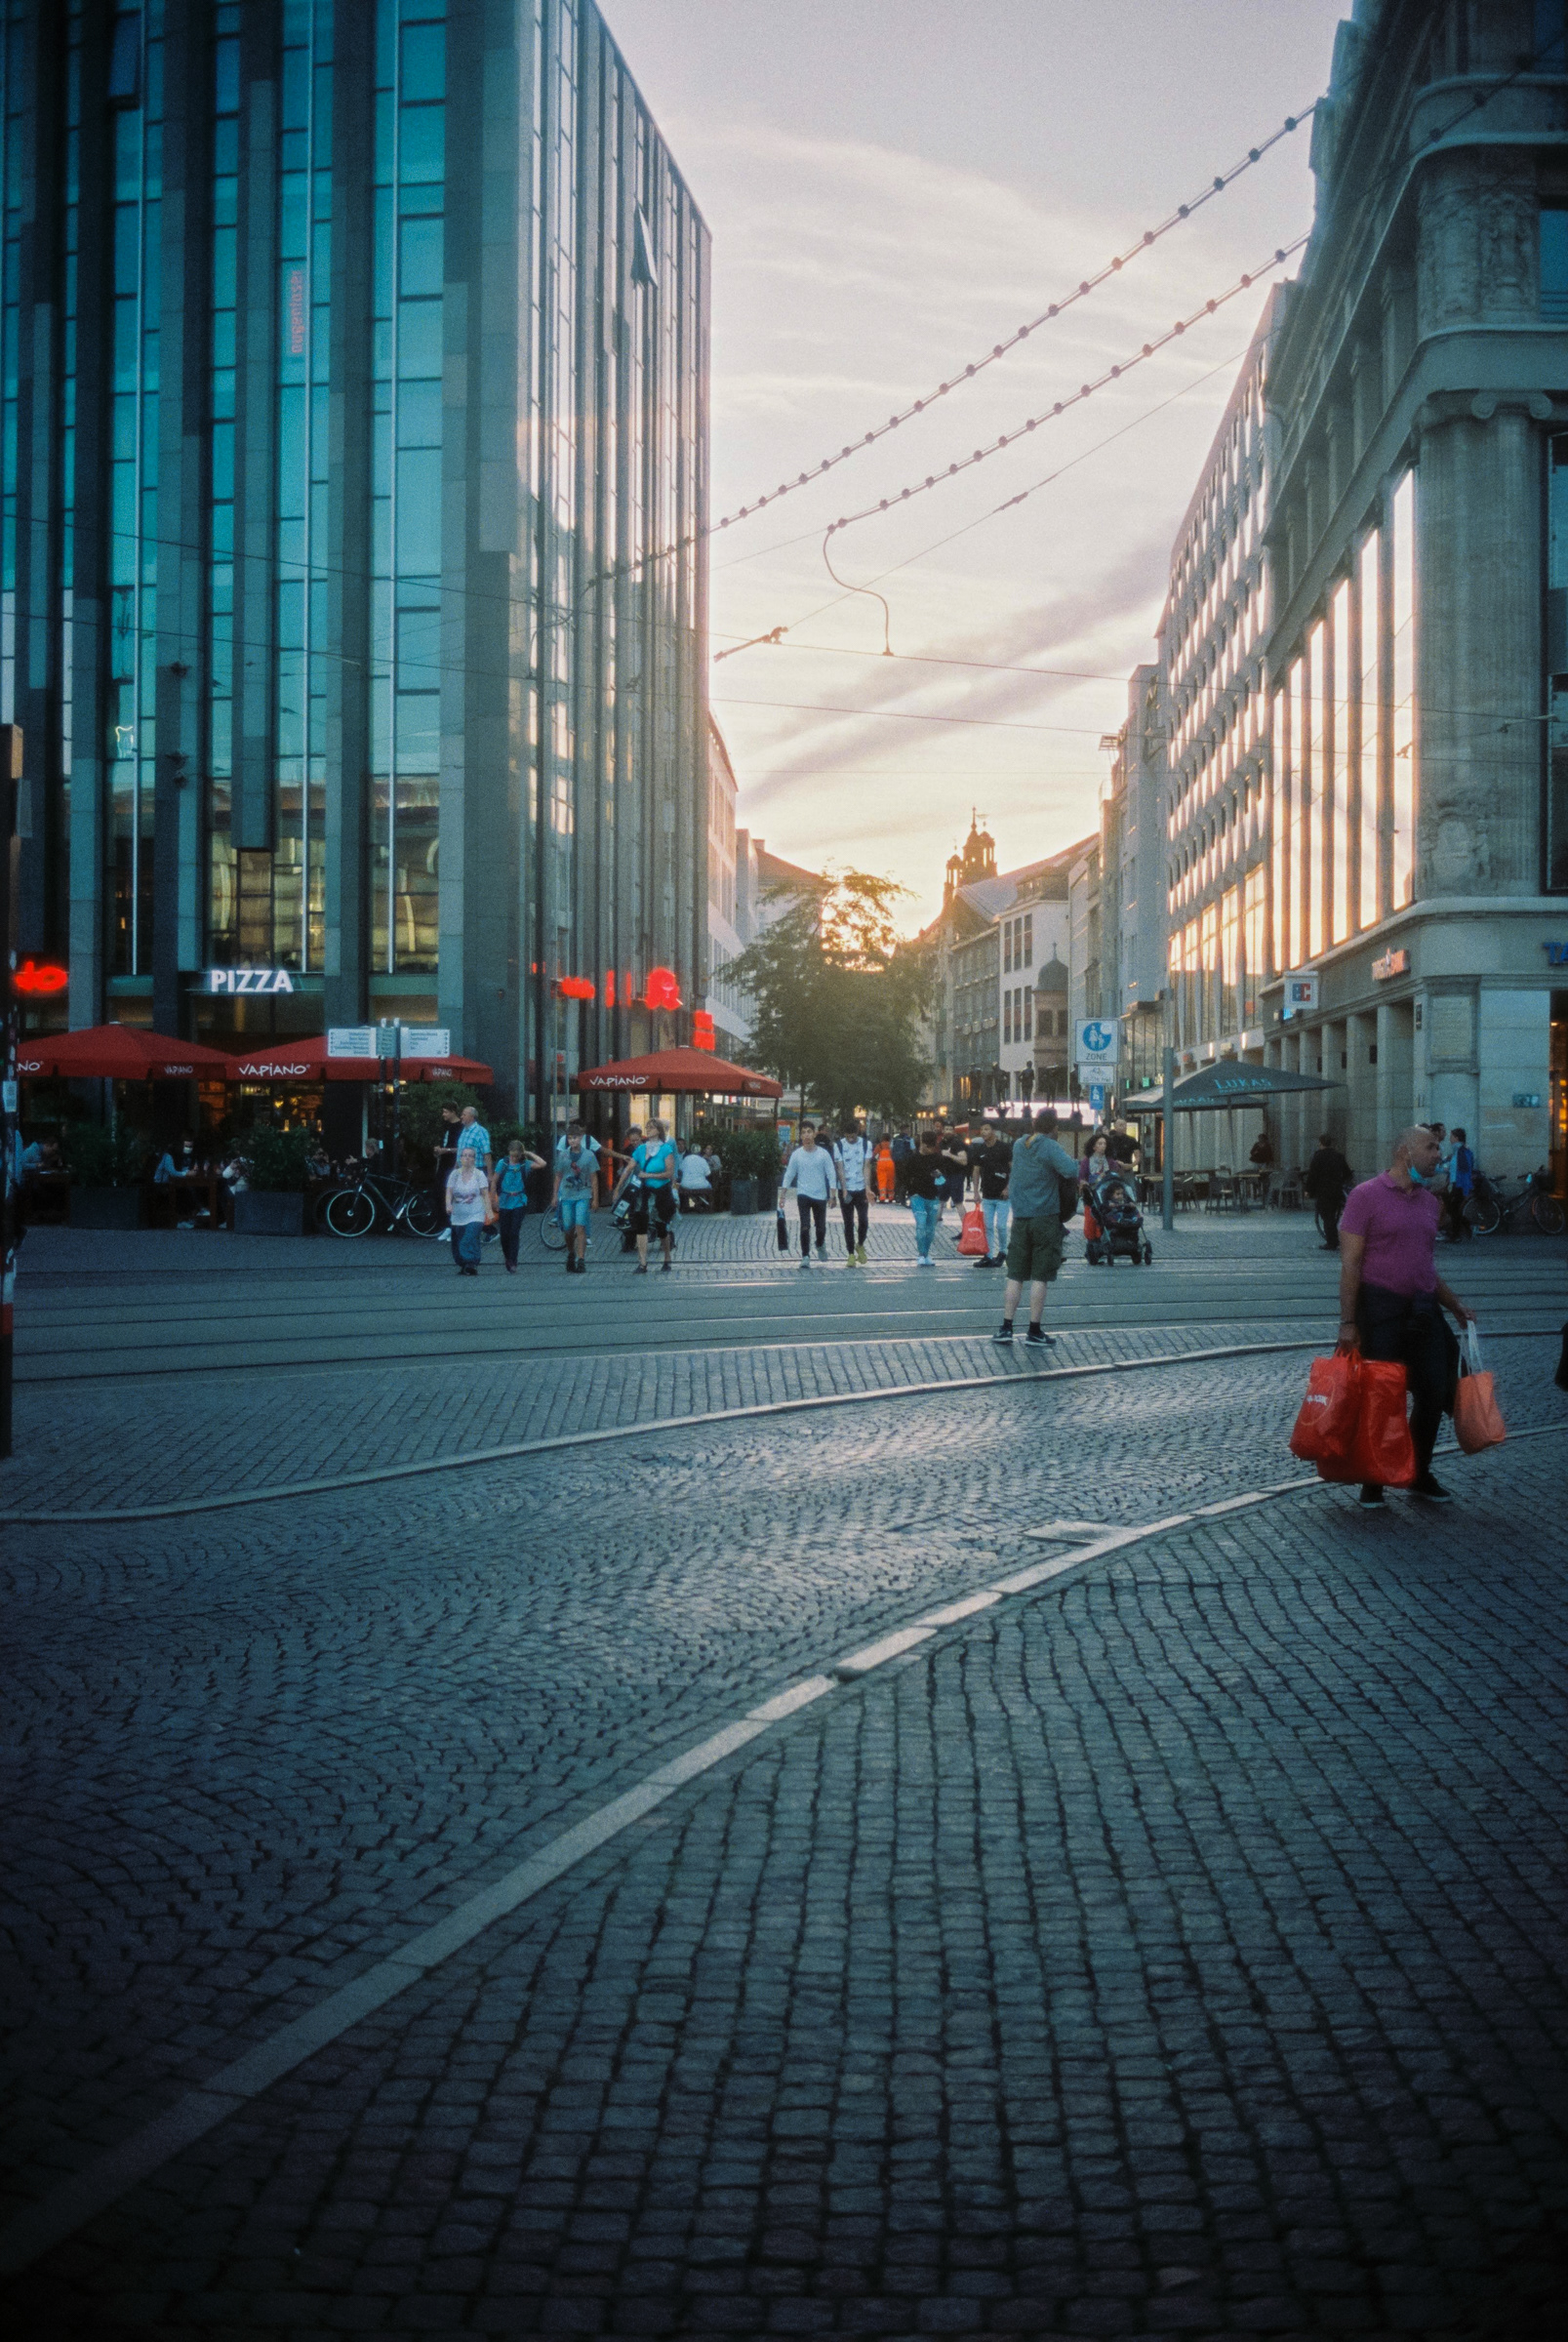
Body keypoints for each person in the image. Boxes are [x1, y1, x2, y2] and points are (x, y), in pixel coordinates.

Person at [1338, 1125, 1474, 1508]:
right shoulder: (1365, 1197)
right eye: (1430, 1147)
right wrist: (1348, 1323)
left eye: (1438, 1147)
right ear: (1404, 1152)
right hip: (1380, 1309)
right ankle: (1373, 1480)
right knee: (1383, 1397)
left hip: (1423, 1310)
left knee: (1433, 1393)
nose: (1438, 1154)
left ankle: (1417, 1472)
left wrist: (1455, 1305)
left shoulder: (1432, 1204)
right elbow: (1350, 1264)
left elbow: (1424, 1266)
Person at [993, 1108, 1079, 1347]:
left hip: (1020, 1218)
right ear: (1055, 1128)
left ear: (1033, 1124)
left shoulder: (1019, 1145)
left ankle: (1006, 1327)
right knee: (1040, 1276)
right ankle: (1034, 1331)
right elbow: (1070, 1170)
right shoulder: (1051, 1146)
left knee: (1015, 1274)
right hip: (1045, 1217)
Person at [616, 1117, 679, 1272]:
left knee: (661, 1227)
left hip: (661, 1193)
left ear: (658, 1130)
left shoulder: (666, 1149)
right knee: (641, 1226)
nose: (648, 1130)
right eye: (647, 1127)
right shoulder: (640, 1150)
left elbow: (669, 1173)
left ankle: (666, 1257)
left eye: (651, 1127)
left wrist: (649, 1176)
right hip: (643, 1193)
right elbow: (628, 1169)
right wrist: (618, 1188)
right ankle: (642, 1263)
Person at [781, 1120, 838, 1267]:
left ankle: (820, 1244)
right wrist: (783, 1194)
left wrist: (833, 1195)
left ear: (814, 1134)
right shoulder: (797, 1155)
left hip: (820, 1195)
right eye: (803, 1132)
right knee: (805, 1226)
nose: (806, 1135)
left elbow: (831, 1173)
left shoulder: (823, 1154)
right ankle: (805, 1256)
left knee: (821, 1227)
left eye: (809, 1132)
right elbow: (789, 1174)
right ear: (800, 1136)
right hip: (803, 1194)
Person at [491, 1136, 545, 1272]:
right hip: (504, 1201)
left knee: (514, 1231)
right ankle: (507, 1257)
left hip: (519, 1201)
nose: (514, 1159)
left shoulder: (524, 1164)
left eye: (516, 1156)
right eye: (512, 1156)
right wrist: (493, 1200)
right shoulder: (502, 1163)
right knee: (504, 1233)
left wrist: (528, 1153)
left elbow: (542, 1163)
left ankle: (513, 1260)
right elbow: (494, 1181)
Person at [552, 1124, 600, 1272]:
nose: (572, 1141)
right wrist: (555, 1195)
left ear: (581, 1138)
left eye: (575, 1138)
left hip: (583, 1195)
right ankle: (571, 1253)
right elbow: (558, 1175)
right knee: (568, 1228)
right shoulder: (563, 1155)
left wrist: (595, 1198)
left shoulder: (589, 1155)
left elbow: (594, 1178)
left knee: (580, 1226)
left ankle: (581, 1259)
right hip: (567, 1195)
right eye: (570, 1138)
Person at [445, 1144, 491, 1275]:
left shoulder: (479, 1175)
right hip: (458, 1215)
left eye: (470, 1156)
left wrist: (489, 1212)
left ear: (474, 1159)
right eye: (464, 1155)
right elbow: (449, 1192)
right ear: (460, 1158)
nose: (467, 1158)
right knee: (459, 1241)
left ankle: (470, 1262)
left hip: (475, 1214)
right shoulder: (454, 1174)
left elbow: (484, 1193)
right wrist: (448, 1205)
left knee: (468, 1239)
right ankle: (467, 1264)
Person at [832, 1117, 873, 1265]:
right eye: (848, 1136)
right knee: (848, 1222)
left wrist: (868, 1187)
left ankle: (860, 1244)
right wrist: (843, 1189)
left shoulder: (865, 1144)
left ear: (857, 1133)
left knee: (864, 1220)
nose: (850, 1138)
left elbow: (867, 1166)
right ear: (844, 1134)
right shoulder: (839, 1146)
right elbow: (840, 1168)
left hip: (861, 1188)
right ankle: (850, 1254)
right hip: (847, 1188)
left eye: (853, 1136)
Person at [1305, 1131, 1353, 1252]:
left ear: (1320, 1143)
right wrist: (1340, 1181)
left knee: (1327, 1216)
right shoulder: (1339, 1156)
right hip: (1336, 1190)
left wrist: (1308, 1190)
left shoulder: (1318, 1156)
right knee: (1333, 1214)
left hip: (1323, 1191)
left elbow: (1312, 1175)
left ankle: (1332, 1241)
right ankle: (1334, 1238)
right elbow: (1347, 1173)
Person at [905, 1130, 947, 1266]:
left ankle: (926, 1254)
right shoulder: (913, 1158)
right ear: (921, 1143)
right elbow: (904, 1176)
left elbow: (944, 1178)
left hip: (933, 1196)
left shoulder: (938, 1158)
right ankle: (921, 1254)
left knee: (930, 1229)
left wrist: (939, 1175)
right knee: (921, 1224)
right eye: (926, 1146)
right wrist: (911, 1192)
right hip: (917, 1196)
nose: (929, 1150)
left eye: (932, 1147)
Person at [974, 1124, 1013, 1269]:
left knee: (1001, 1226)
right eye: (982, 1129)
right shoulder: (980, 1149)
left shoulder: (1004, 1148)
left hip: (1002, 1194)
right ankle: (988, 1255)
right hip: (988, 1194)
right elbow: (976, 1170)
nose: (984, 1132)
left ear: (994, 1131)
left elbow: (1012, 1168)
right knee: (988, 1226)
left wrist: (1008, 1187)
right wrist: (976, 1191)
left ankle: (1003, 1252)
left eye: (987, 1129)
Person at [1444, 1125, 1474, 1240]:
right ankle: (1463, 1227)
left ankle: (1457, 1233)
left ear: (1456, 1138)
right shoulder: (1457, 1151)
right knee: (1453, 1208)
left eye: (1451, 1136)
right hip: (1457, 1183)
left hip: (1459, 1184)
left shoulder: (1462, 1151)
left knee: (1453, 1208)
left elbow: (1465, 1169)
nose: (1450, 1139)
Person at [678, 1143, 714, 1212]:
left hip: (686, 1184)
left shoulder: (686, 1159)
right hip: (701, 1184)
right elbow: (708, 1173)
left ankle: (687, 1206)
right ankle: (704, 1205)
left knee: (683, 1187)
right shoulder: (703, 1160)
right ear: (700, 1151)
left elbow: (680, 1170)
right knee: (709, 1186)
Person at [890, 1125, 914, 1203]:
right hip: (906, 1162)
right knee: (906, 1180)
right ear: (906, 1130)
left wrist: (893, 1158)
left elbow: (891, 1149)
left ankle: (896, 1196)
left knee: (898, 1179)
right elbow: (913, 1150)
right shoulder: (909, 1139)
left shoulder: (895, 1139)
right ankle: (902, 1197)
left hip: (897, 1162)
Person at [875, 1137, 896, 1203]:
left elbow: (874, 1154)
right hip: (890, 1164)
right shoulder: (891, 1145)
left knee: (882, 1181)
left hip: (881, 1165)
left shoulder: (879, 1146)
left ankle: (882, 1197)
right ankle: (891, 1197)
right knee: (890, 1180)